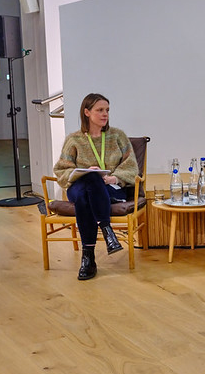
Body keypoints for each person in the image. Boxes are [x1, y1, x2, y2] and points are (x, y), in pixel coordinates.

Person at [53, 93, 139, 280]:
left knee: (87, 194)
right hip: (78, 186)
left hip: (110, 188)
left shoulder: (117, 136)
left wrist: (114, 178)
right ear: (87, 112)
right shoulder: (74, 139)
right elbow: (61, 170)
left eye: (107, 110)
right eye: (100, 110)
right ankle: (107, 229)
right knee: (90, 179)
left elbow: (131, 167)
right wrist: (84, 172)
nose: (105, 114)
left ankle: (88, 258)